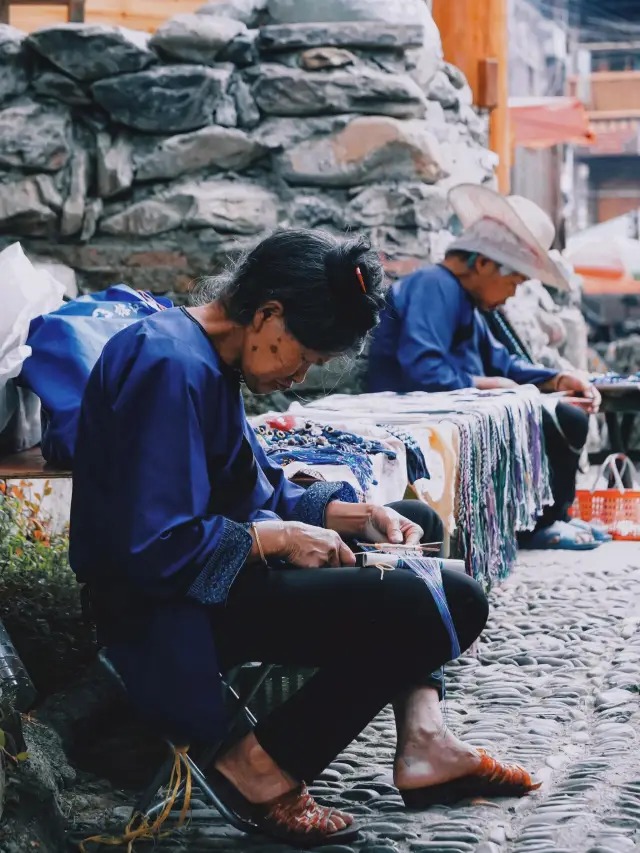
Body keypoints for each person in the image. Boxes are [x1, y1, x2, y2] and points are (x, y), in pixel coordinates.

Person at [69, 230, 538, 847]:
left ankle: (424, 737)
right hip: (166, 609)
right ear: (268, 315)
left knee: (414, 527)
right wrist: (277, 541)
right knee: (453, 600)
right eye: (306, 357)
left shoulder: (202, 358)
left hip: (205, 579)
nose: (297, 377)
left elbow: (253, 492)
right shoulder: (169, 364)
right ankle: (257, 767)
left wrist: (357, 514)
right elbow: (151, 546)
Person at [368, 184, 604, 551]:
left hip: (454, 401)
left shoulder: (468, 304)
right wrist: (483, 384)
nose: (512, 294)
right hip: (410, 407)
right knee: (566, 419)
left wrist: (556, 378)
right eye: (514, 281)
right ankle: (543, 523)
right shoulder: (434, 286)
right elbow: (424, 368)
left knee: (565, 409)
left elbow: (503, 362)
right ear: (482, 264)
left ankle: (556, 515)